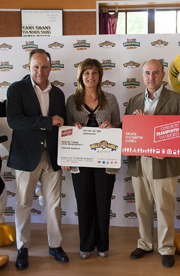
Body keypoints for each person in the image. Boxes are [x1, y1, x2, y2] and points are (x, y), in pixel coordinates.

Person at [124, 59, 180, 268]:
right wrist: (135, 122)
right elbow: (128, 131)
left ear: (163, 75)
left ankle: (166, 248)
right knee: (142, 206)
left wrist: (168, 149)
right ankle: (145, 244)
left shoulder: (177, 100)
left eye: (155, 73)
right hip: (139, 161)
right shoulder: (134, 101)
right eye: (147, 73)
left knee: (164, 207)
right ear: (142, 76)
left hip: (165, 162)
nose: (151, 77)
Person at [6, 48, 68, 270]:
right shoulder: (16, 89)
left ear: (51, 67)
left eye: (44, 66)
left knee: (54, 205)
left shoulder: (59, 94)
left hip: (52, 157)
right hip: (25, 156)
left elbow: (63, 127)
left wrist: (67, 154)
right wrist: (46, 122)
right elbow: (14, 121)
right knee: (23, 203)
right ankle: (22, 249)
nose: (40, 71)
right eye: (36, 67)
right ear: (29, 67)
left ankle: (55, 245)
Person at [62, 58, 121, 260]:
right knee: (84, 202)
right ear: (80, 76)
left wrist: (112, 128)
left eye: (94, 72)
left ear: (100, 76)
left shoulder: (111, 99)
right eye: (86, 72)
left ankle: (103, 244)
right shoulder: (72, 100)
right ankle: (86, 245)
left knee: (103, 202)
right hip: (80, 161)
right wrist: (73, 129)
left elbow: (119, 129)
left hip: (105, 160)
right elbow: (65, 131)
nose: (90, 76)